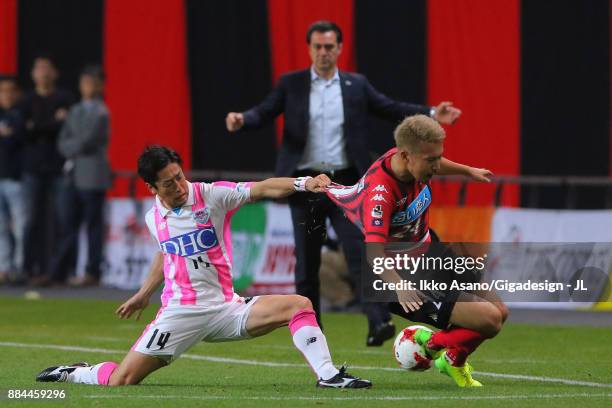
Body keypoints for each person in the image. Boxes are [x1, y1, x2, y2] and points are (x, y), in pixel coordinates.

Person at [36, 145, 371, 389]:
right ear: (152, 188)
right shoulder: (155, 218)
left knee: (299, 305)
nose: (179, 187)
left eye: (179, 177)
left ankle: (328, 376)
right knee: (123, 380)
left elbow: (263, 187)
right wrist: (143, 294)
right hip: (180, 314)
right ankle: (75, 372)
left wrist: (302, 183)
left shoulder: (211, 196)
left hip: (226, 309)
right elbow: (166, 255)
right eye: (168, 183)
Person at [226, 20, 462, 346]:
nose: (323, 52)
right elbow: (265, 112)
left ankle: (379, 322)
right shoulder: (291, 84)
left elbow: (390, 108)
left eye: (329, 46)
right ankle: (312, 330)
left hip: (350, 184)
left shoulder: (356, 85)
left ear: (339, 49)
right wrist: (243, 119)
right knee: (307, 263)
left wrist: (433, 112)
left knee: (360, 252)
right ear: (309, 49)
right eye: (317, 47)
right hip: (308, 184)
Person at [325, 115, 509, 387]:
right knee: (490, 321)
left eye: (439, 158)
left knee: (501, 310)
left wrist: (467, 170)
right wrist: (398, 286)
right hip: (399, 273)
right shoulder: (381, 193)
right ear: (406, 156)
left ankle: (452, 360)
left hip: (429, 249)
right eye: (431, 160)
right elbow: (374, 254)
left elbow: (435, 161)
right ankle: (426, 343)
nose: (436, 166)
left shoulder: (410, 160)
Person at [48, 65, 111, 286]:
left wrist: (70, 146)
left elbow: (86, 140)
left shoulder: (101, 111)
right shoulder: (75, 109)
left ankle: (92, 271)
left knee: (93, 226)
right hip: (73, 174)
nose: (88, 86)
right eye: (85, 82)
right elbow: (62, 140)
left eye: (92, 82)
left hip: (92, 175)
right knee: (68, 224)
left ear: (101, 86)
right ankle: (61, 270)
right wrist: (70, 146)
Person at [19, 55, 75, 284]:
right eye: (38, 68)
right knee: (30, 220)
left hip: (58, 167)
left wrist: (37, 126)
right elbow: (22, 132)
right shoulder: (26, 101)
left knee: (62, 220)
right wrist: (53, 123)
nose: (42, 72)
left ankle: (57, 271)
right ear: (33, 74)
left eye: (46, 68)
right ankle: (29, 269)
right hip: (32, 168)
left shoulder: (65, 98)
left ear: (54, 73)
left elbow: (68, 129)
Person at [0, 76, 26, 284]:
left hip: (17, 179)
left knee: (20, 227)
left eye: (10, 90)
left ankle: (20, 268)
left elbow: (21, 140)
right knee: (0, 227)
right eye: (3, 90)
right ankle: (4, 268)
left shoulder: (22, 114)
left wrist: (8, 135)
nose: (7, 94)